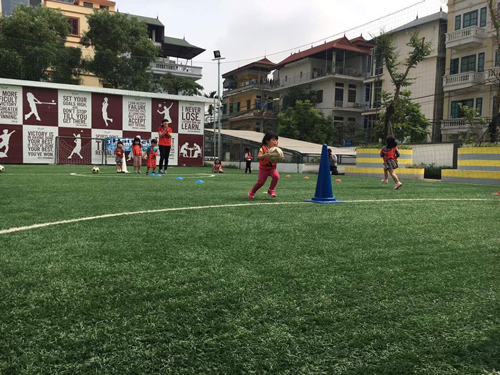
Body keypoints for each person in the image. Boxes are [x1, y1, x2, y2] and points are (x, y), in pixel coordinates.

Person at [248, 131, 280, 199]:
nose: (275, 142)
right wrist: (265, 155)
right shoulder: (263, 148)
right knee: (260, 182)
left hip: (272, 168)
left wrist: (281, 157)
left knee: (276, 176)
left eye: (276, 140)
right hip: (263, 169)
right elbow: (259, 157)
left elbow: (280, 156)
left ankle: (271, 190)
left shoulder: (276, 149)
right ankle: (252, 192)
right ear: (267, 141)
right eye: (273, 140)